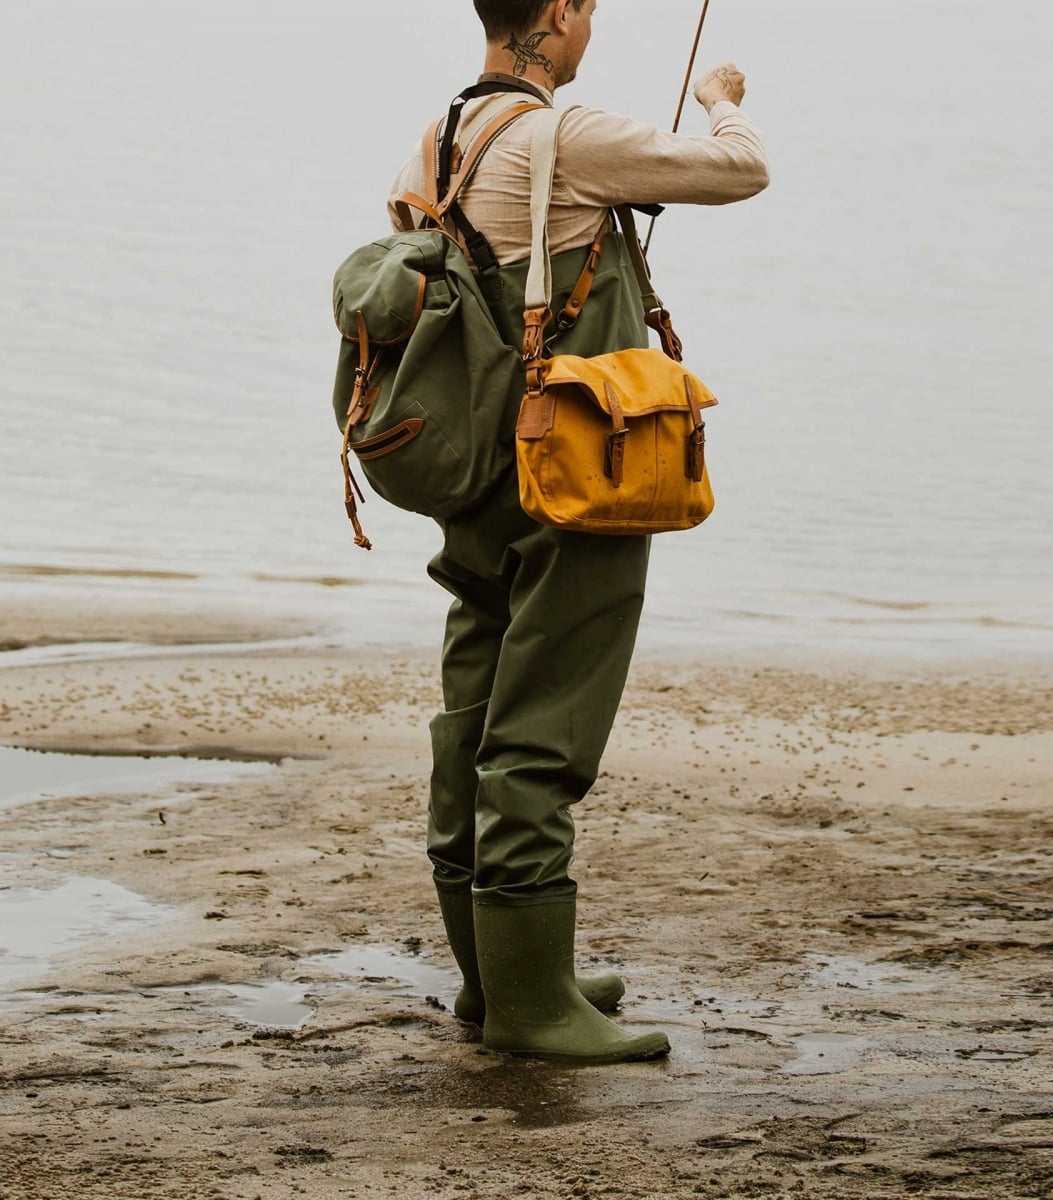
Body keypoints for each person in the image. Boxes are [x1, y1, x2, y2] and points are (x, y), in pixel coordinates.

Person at [387, 0, 769, 1064]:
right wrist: (720, 103)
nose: (592, 23)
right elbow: (739, 170)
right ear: (555, 13)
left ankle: (501, 975)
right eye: (590, 5)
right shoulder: (570, 135)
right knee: (544, 726)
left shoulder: (442, 135)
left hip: (475, 466)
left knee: (475, 704)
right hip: (569, 469)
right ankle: (531, 1008)